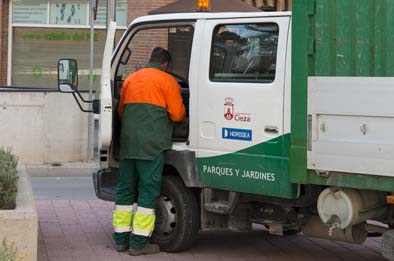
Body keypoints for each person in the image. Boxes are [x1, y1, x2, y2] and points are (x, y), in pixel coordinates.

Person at [113, 47, 186, 256]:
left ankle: (120, 240)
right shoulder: (167, 81)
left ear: (150, 59)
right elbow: (177, 114)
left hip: (128, 144)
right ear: (165, 64)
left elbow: (121, 112)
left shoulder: (131, 79)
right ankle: (139, 243)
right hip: (151, 147)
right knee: (147, 192)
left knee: (125, 190)